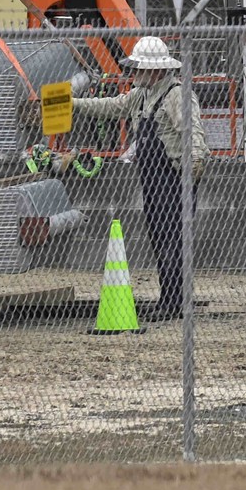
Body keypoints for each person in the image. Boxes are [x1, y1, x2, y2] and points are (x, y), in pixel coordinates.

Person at [73, 37, 204, 312]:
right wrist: (73, 103)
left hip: (173, 180)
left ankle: (175, 301)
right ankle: (170, 299)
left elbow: (193, 133)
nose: (134, 73)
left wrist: (193, 169)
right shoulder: (142, 95)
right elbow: (111, 106)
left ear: (156, 70)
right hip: (153, 180)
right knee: (160, 238)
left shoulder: (176, 95)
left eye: (140, 68)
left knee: (173, 240)